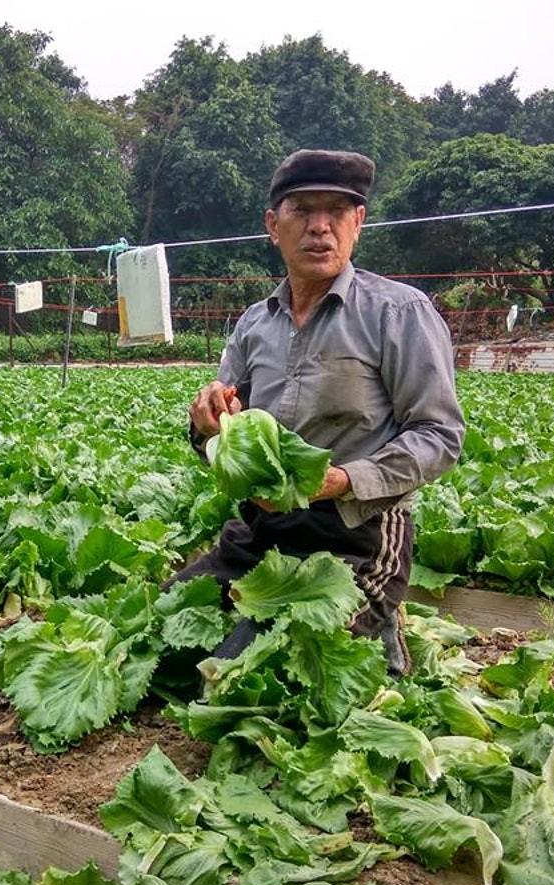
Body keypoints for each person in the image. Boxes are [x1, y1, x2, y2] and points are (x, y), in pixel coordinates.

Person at [176, 148, 465, 674]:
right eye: (302, 211)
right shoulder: (253, 325)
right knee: (165, 630)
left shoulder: (399, 313)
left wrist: (343, 479)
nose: (320, 228)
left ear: (358, 222)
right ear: (273, 225)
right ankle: (366, 631)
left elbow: (439, 435)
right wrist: (207, 429)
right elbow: (225, 440)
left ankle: (380, 624)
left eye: (336, 211)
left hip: (358, 538)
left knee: (250, 669)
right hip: (262, 537)